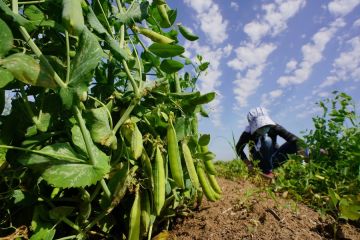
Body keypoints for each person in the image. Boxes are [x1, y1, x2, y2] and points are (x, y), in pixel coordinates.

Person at [236, 107, 299, 178]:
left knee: (295, 144)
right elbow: (238, 148)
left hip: (274, 159)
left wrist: (305, 159)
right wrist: (249, 164)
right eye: (260, 126)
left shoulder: (274, 127)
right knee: (267, 141)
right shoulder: (248, 133)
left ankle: (273, 169)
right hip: (259, 161)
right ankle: (266, 171)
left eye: (266, 125)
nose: (264, 127)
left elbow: (294, 139)